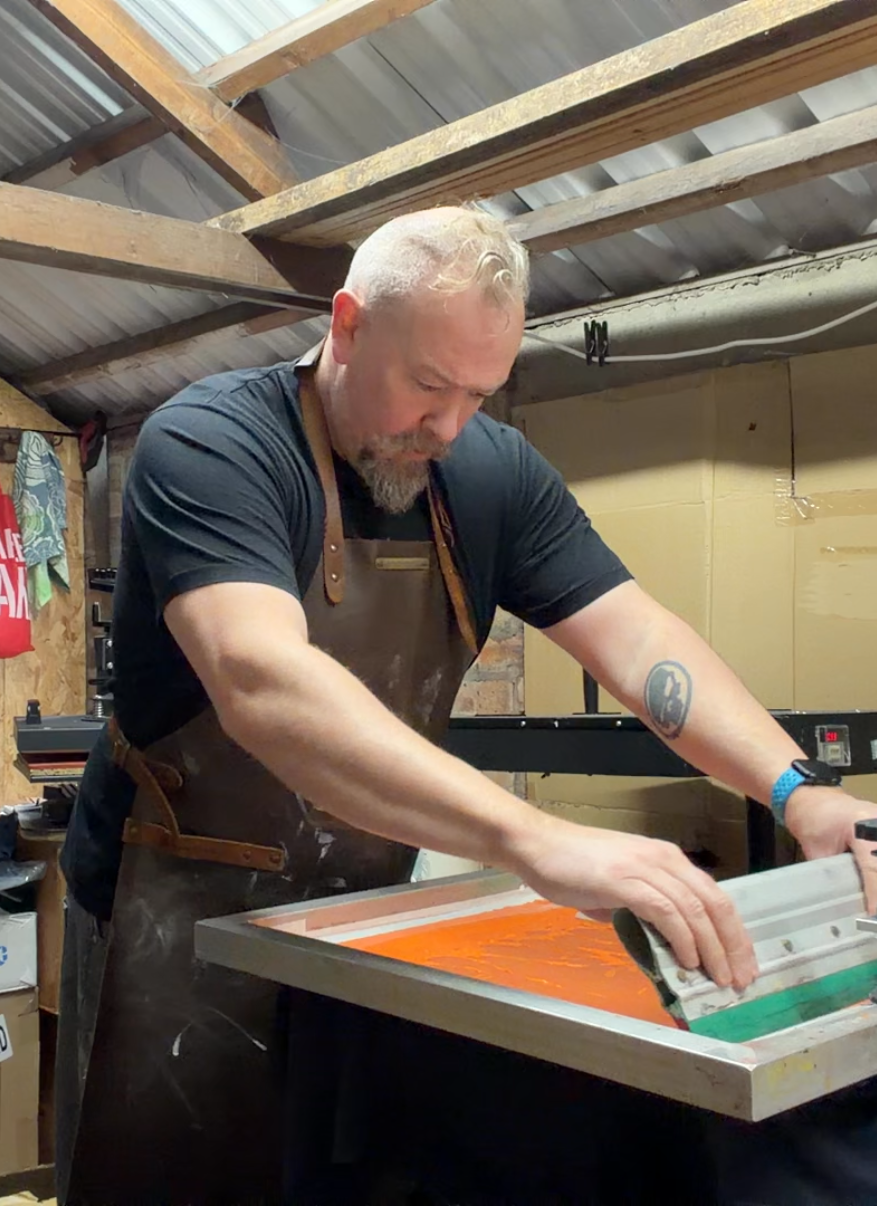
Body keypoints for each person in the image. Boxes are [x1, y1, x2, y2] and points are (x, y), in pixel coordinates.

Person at [53, 203, 877, 1205]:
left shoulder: (486, 473)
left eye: (481, 395)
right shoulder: (215, 444)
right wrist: (534, 838)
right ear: (348, 326)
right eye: (428, 385)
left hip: (351, 913)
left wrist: (798, 790)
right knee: (170, 1175)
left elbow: (640, 640)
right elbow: (265, 684)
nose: (445, 428)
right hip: (169, 906)